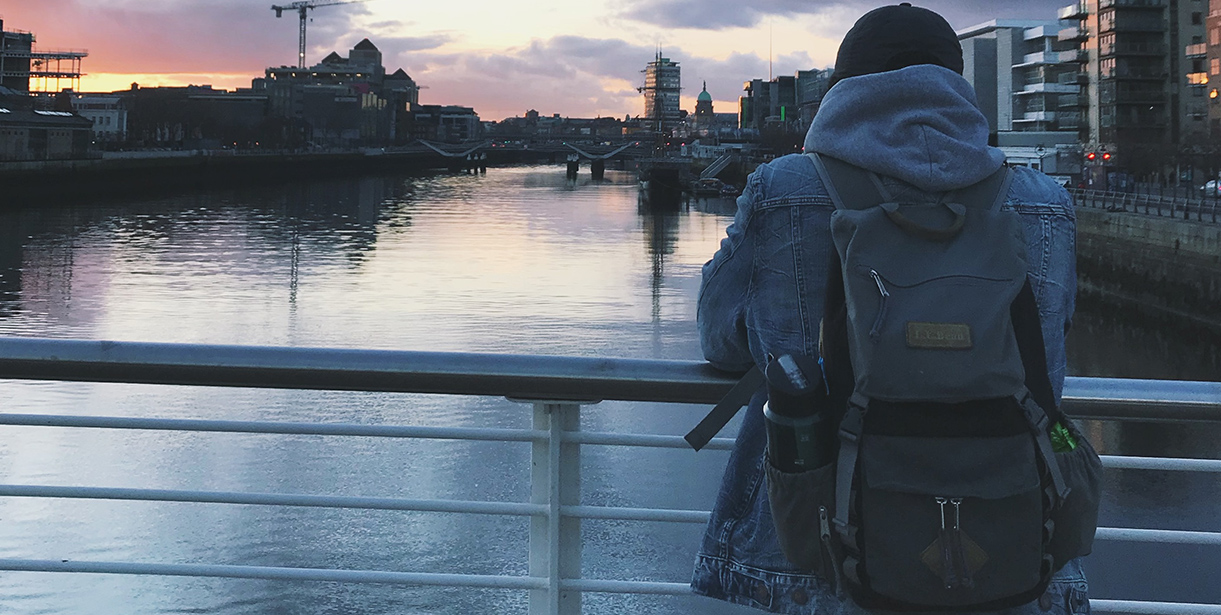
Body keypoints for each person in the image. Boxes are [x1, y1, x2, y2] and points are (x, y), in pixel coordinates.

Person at [691, 4, 1088, 615]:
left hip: (817, 551)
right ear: (960, 87)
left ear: (842, 89)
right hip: (1013, 540)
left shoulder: (785, 188)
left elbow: (719, 338)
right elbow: (1051, 342)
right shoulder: (1044, 203)